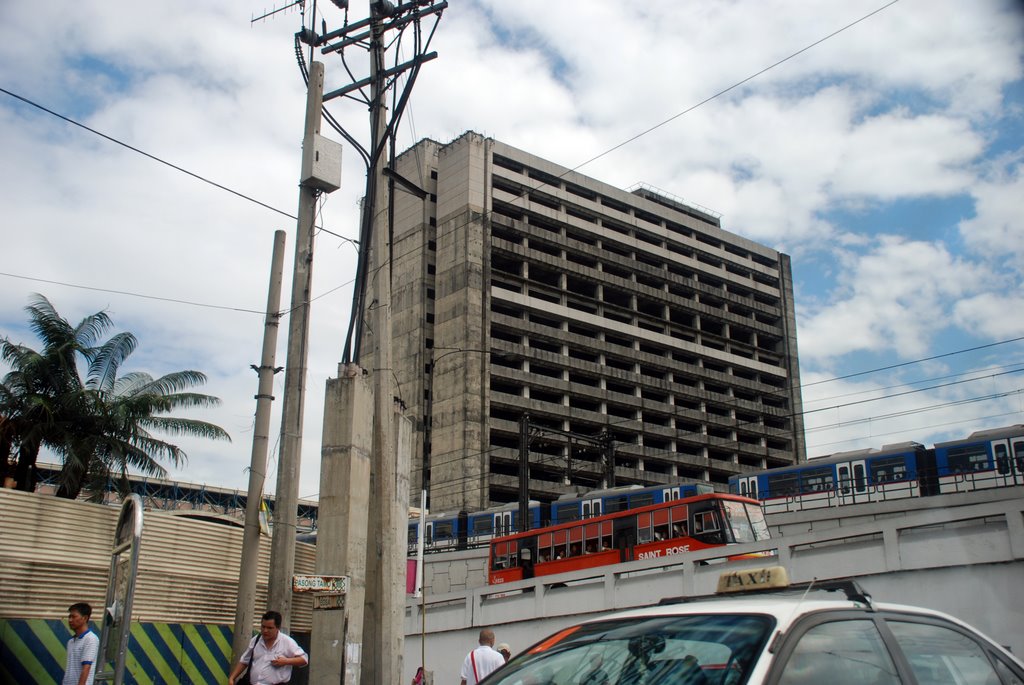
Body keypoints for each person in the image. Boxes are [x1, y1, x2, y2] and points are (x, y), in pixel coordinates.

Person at [228, 610, 308, 685]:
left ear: (278, 628)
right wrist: (232, 678)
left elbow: (304, 659)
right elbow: (244, 661)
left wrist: (286, 661)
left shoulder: (287, 642)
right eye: (263, 627)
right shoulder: (256, 640)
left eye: (269, 628)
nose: (265, 630)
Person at [63, 602, 99, 685]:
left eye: (74, 617)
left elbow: (86, 667)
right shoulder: (71, 642)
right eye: (69, 617)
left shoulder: (90, 639)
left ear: (85, 618)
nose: (70, 620)